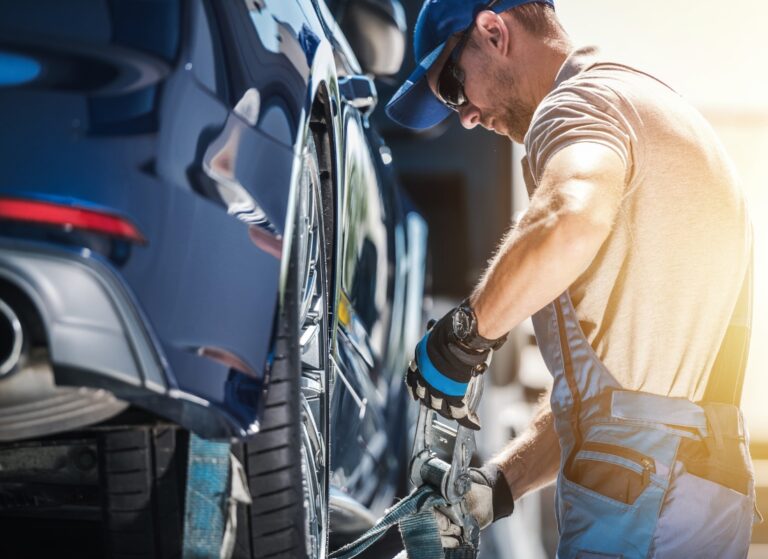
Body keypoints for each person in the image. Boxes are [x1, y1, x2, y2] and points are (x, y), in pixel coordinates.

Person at [386, 0, 758, 557]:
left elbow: (569, 216)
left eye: (453, 85)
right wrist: (498, 486)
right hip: (706, 494)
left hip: (639, 498)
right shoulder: (655, 112)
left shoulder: (575, 105)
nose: (463, 115)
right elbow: (621, 403)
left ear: (493, 32)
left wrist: (463, 338)